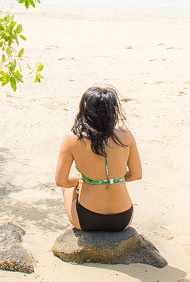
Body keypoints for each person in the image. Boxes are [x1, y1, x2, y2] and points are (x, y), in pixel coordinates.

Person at [54, 85, 142, 231]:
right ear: (113, 112)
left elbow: (60, 181)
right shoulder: (126, 134)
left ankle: (74, 222)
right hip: (123, 218)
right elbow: (136, 174)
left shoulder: (73, 139)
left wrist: (83, 180)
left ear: (84, 111)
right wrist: (111, 179)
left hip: (88, 219)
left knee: (71, 180)